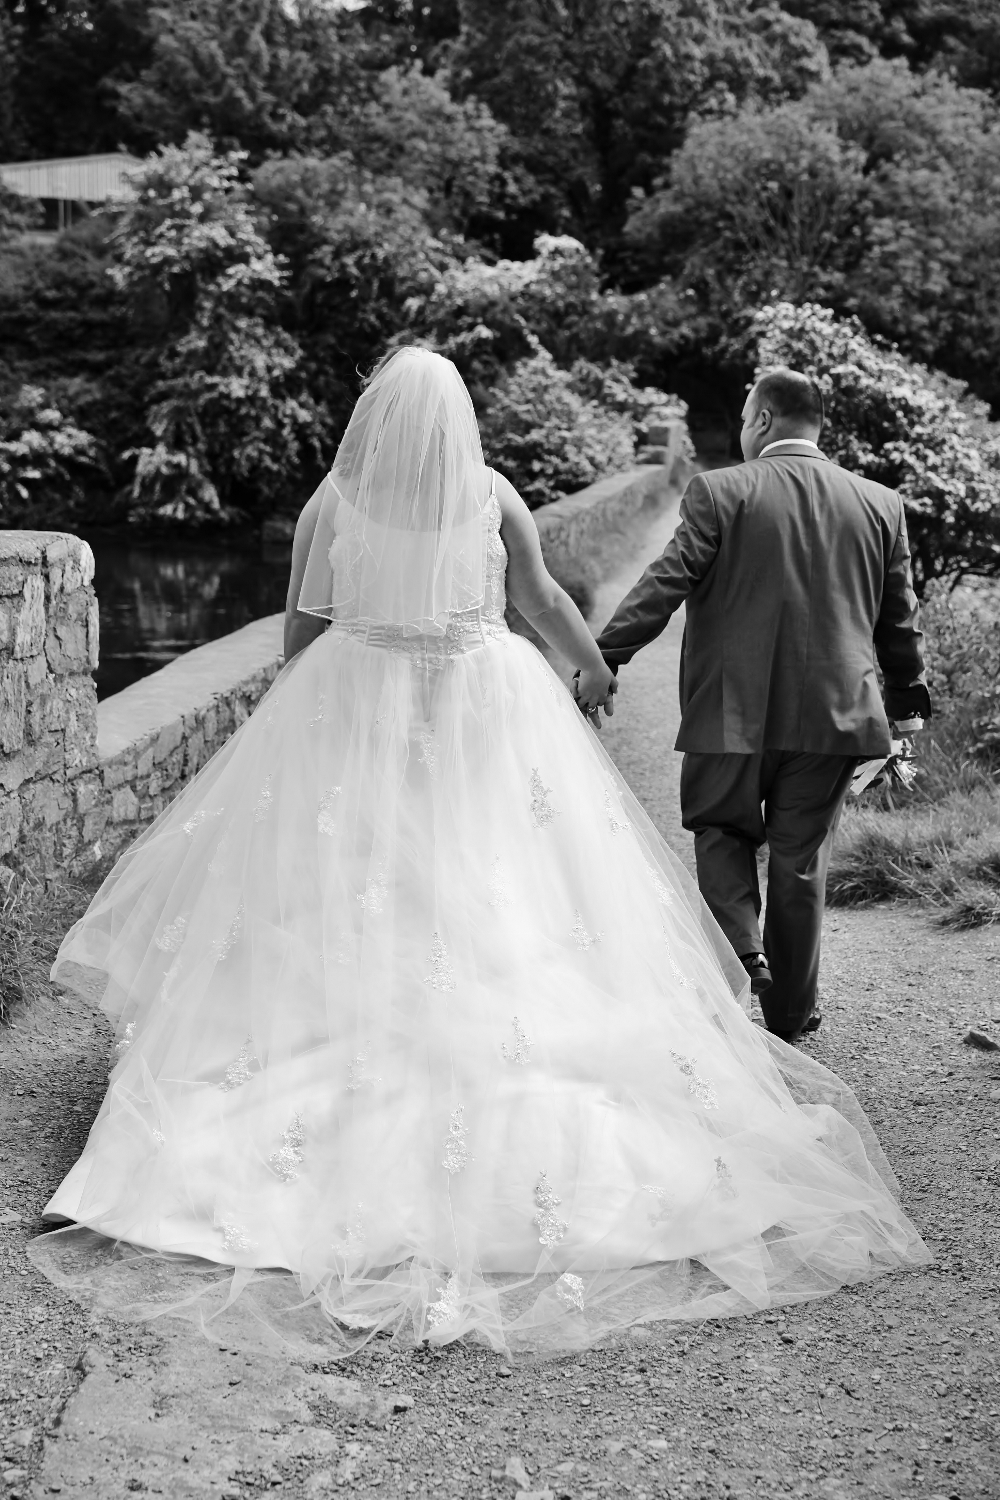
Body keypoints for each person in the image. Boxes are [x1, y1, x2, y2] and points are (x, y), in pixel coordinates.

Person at [30, 349, 929, 1357]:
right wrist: (590, 669)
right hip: (481, 704)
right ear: (455, 422)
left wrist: (327, 702)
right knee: (500, 883)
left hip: (358, 697)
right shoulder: (491, 493)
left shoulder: (333, 503)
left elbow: (299, 633)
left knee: (356, 881)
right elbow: (540, 600)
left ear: (378, 420)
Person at [595, 368, 931, 1043]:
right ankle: (790, 1016)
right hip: (835, 717)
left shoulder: (720, 491)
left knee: (722, 832)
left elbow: (666, 581)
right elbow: (899, 620)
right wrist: (905, 706)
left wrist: (604, 657)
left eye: (747, 417)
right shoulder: (879, 503)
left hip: (731, 712)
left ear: (764, 420)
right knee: (799, 863)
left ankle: (744, 952)